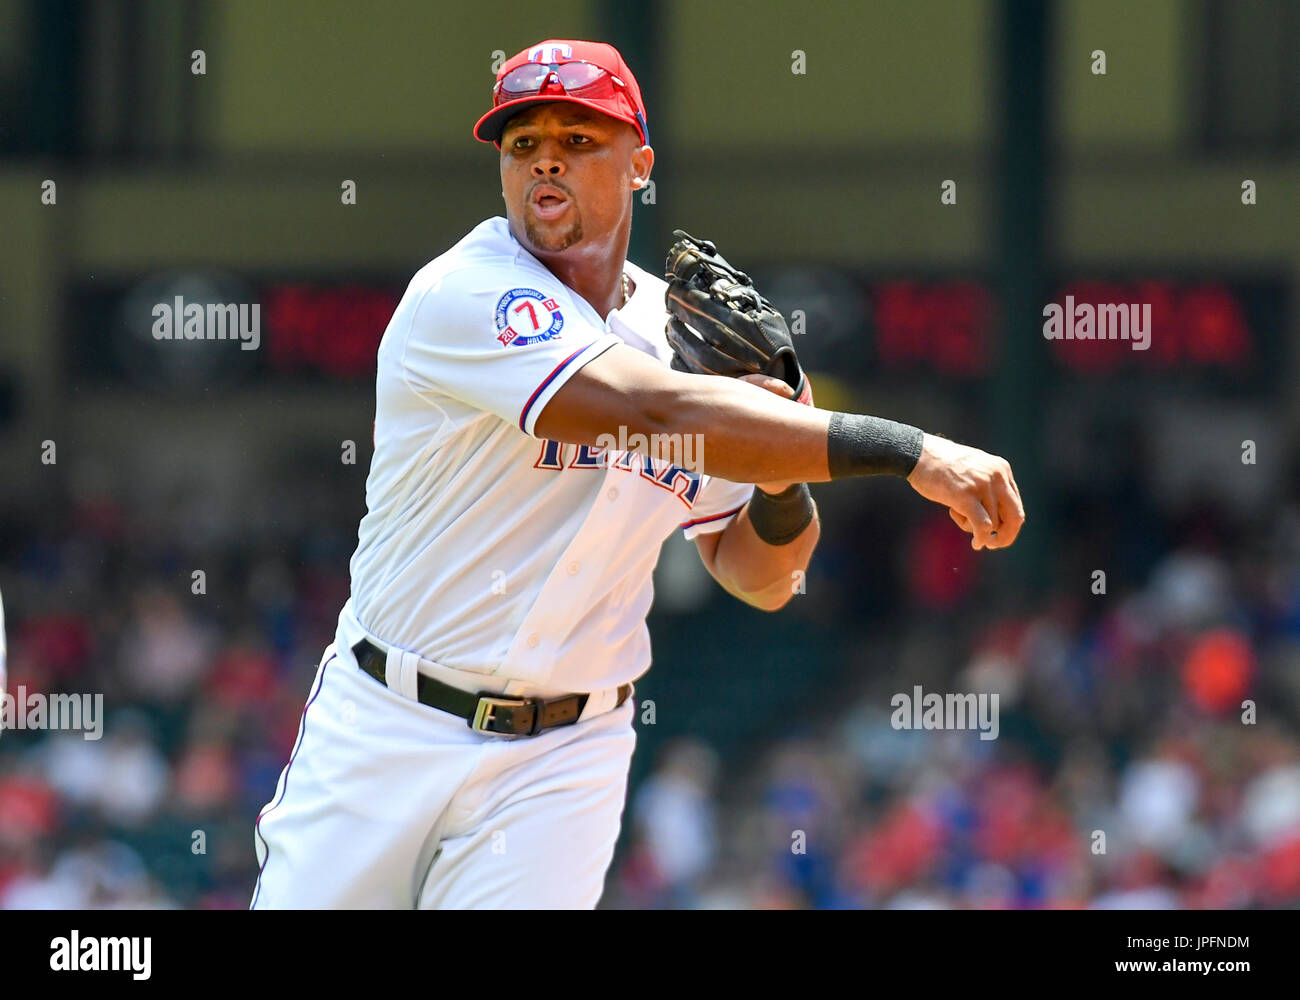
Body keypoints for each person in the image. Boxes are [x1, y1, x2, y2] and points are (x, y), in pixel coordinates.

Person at [251, 38, 1024, 909]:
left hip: (561, 763)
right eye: (523, 140)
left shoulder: (679, 336)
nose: (547, 156)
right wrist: (913, 450)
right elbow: (651, 411)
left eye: (579, 138)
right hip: (391, 725)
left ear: (639, 164)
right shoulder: (466, 293)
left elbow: (765, 575)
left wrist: (776, 469)